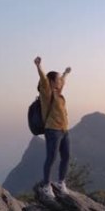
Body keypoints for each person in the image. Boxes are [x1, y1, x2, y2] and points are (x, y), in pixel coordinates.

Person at [34, 56, 71, 201]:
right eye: (57, 79)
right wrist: (39, 66)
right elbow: (44, 79)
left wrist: (66, 73)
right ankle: (46, 185)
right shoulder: (46, 92)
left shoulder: (57, 91)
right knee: (51, 157)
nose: (60, 81)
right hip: (53, 130)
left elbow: (63, 81)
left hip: (64, 130)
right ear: (51, 81)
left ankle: (61, 183)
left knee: (66, 156)